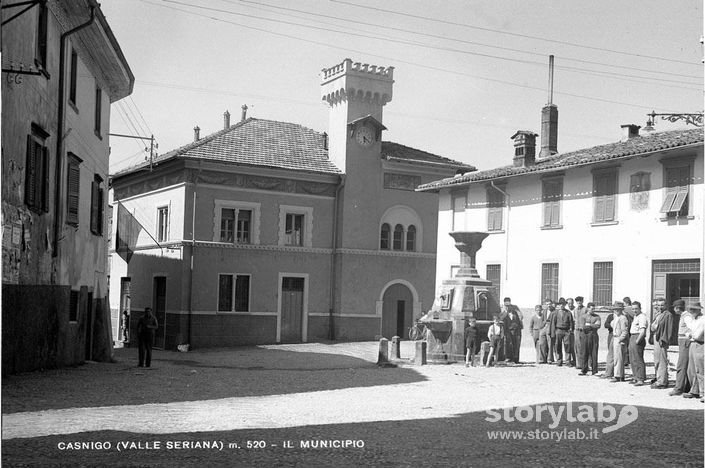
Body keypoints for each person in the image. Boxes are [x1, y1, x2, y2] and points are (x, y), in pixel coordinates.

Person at [671, 299, 694, 396]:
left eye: (674, 308)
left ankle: (678, 388)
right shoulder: (684, 316)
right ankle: (685, 386)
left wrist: (688, 336)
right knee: (685, 365)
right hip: (682, 341)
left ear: (677, 308)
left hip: (685, 341)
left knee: (682, 365)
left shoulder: (686, 317)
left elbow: (692, 327)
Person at [652, 297, 676, 390]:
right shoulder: (658, 314)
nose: (660, 307)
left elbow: (669, 329)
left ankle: (662, 382)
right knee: (657, 360)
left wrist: (665, 339)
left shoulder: (668, 315)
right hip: (656, 338)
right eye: (658, 305)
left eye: (662, 305)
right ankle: (658, 378)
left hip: (662, 339)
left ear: (666, 305)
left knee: (662, 361)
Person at [684, 302, 704, 401]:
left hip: (700, 344)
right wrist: (690, 334)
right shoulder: (693, 320)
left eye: (694, 309)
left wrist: (691, 335)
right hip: (692, 344)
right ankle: (694, 389)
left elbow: (697, 335)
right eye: (691, 309)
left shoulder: (703, 320)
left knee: (700, 368)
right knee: (691, 368)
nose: (691, 311)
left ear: (699, 310)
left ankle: (703, 392)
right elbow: (687, 331)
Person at [627, 301, 648, 386]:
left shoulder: (642, 317)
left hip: (638, 337)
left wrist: (637, 341)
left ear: (640, 308)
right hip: (632, 337)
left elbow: (642, 331)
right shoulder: (636, 316)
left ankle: (640, 378)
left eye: (636, 308)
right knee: (632, 359)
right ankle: (635, 376)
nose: (634, 310)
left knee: (638, 359)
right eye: (633, 309)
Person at [550, 298, 574, 367]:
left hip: (566, 331)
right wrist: (553, 333)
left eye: (563, 304)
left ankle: (568, 361)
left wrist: (570, 330)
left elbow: (571, 322)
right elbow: (553, 324)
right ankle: (559, 360)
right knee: (558, 346)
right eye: (560, 304)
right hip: (558, 331)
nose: (561, 306)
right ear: (558, 305)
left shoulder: (568, 313)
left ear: (565, 305)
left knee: (567, 346)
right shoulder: (555, 313)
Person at [579, 302, 601, 375]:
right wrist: (592, 325)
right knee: (584, 352)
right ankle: (584, 369)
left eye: (594, 308)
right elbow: (583, 327)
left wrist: (589, 325)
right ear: (588, 308)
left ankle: (594, 370)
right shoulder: (583, 316)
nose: (593, 310)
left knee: (594, 353)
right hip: (585, 336)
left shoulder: (597, 317)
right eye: (591, 308)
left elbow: (598, 326)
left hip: (594, 336)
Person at [610, 301, 629, 383]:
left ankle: (618, 375)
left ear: (621, 310)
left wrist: (620, 339)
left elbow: (624, 331)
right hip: (615, 337)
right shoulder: (616, 317)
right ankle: (619, 375)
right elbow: (612, 325)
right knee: (616, 357)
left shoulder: (622, 318)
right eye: (615, 309)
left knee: (619, 358)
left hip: (619, 338)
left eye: (618, 309)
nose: (616, 311)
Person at [600, 309, 615, 379]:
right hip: (611, 334)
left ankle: (614, 372)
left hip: (619, 335)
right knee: (610, 353)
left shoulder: (623, 317)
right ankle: (609, 371)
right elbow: (606, 324)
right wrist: (612, 325)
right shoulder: (611, 316)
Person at [573, 296, 586, 369]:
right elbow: (574, 319)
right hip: (577, 330)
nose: (579, 303)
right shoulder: (575, 310)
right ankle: (579, 364)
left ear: (582, 301)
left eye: (580, 301)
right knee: (577, 347)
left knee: (584, 347)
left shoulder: (585, 309)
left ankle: (585, 364)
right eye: (577, 302)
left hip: (584, 330)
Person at [541, 299, 556, 364]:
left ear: (552, 304)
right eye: (547, 304)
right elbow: (542, 319)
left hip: (551, 326)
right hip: (545, 326)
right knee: (542, 342)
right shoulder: (544, 311)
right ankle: (542, 358)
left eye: (549, 304)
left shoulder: (554, 311)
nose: (548, 305)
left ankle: (550, 359)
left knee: (550, 343)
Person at [565, 298, 577, 367]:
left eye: (571, 303)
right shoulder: (566, 311)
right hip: (568, 330)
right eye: (568, 303)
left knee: (574, 346)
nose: (570, 305)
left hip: (575, 329)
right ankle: (568, 360)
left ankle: (575, 360)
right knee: (568, 345)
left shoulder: (575, 310)